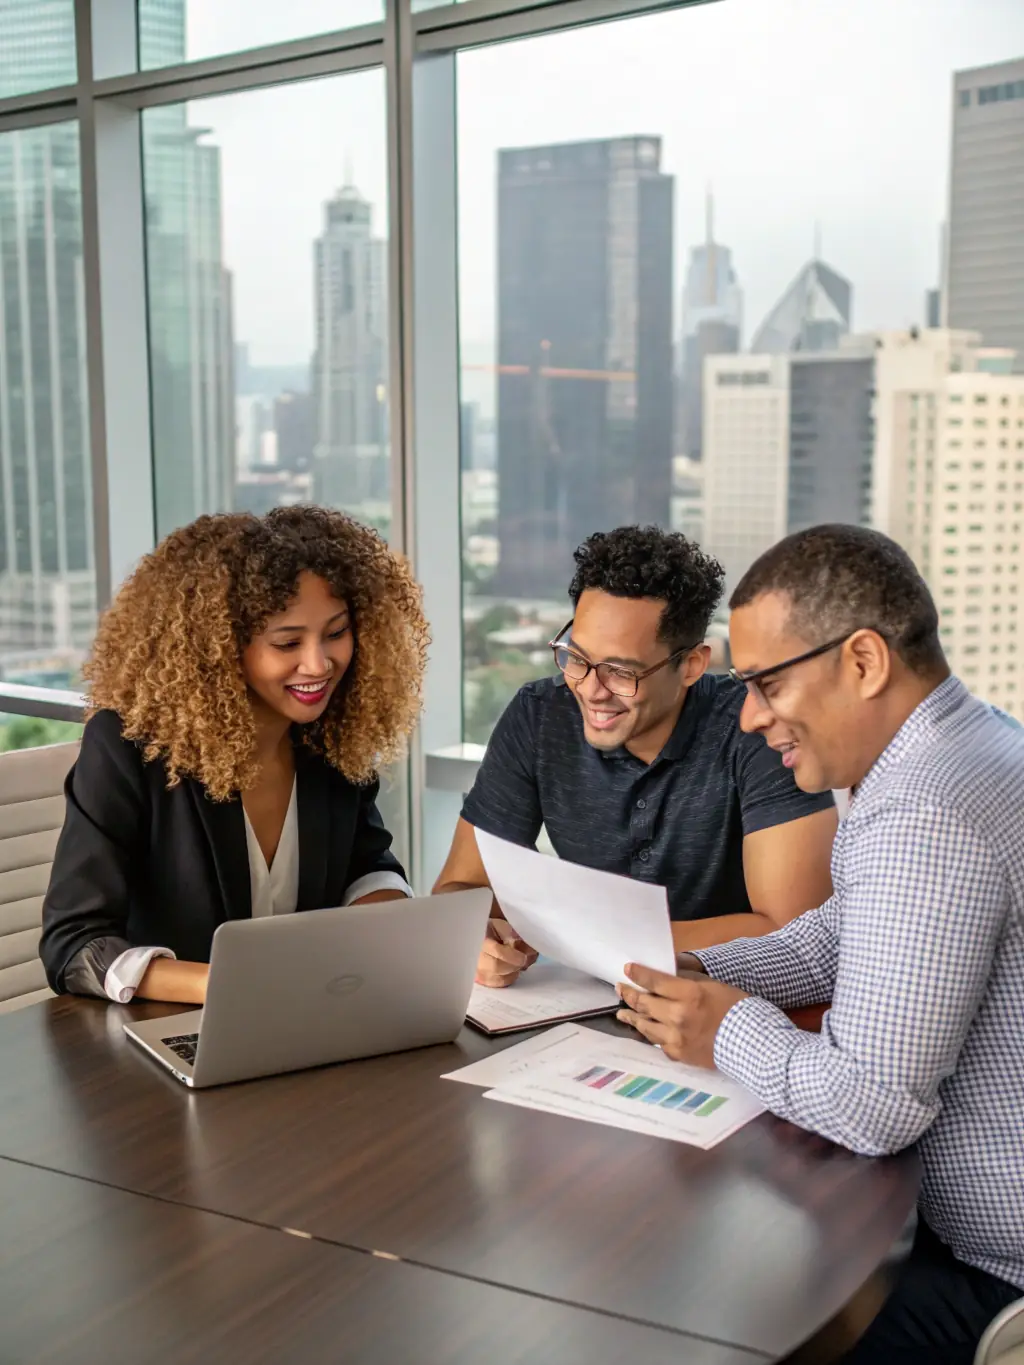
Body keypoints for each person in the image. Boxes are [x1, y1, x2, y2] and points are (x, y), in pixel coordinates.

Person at [614, 525, 1024, 1365]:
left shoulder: (925, 814)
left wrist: (723, 1030)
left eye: (766, 683)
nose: (752, 715)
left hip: (996, 1270)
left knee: (740, 1328)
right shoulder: (969, 746)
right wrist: (696, 971)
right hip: (969, 1233)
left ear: (864, 661)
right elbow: (842, 936)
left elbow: (871, 1104)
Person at [40, 505, 429, 1006]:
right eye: (287, 642)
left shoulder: (329, 739)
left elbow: (367, 864)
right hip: (168, 1036)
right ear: (219, 647)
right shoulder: (129, 747)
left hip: (308, 1018)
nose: (319, 663)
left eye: (336, 633)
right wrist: (231, 987)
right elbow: (74, 943)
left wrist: (394, 929)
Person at [435, 525, 838, 988]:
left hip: (729, 1009)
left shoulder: (755, 732)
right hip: (584, 1005)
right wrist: (477, 939)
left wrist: (596, 938)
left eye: (621, 671)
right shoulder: (539, 715)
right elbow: (459, 889)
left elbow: (796, 935)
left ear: (690, 665)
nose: (590, 689)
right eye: (577, 657)